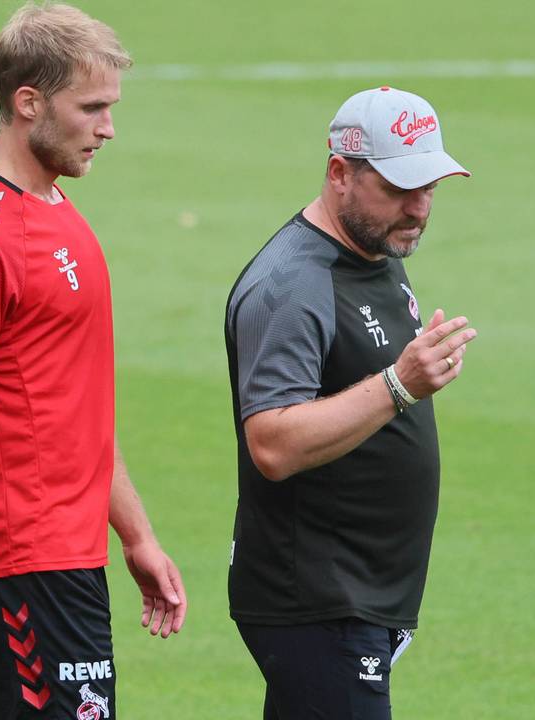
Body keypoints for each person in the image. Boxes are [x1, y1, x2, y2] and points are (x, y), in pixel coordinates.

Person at [0, 4, 186, 718]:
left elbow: (68, 410)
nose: (108, 127)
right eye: (92, 108)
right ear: (29, 103)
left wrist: (135, 534)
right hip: (20, 565)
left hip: (70, 559)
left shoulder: (59, 211)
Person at [224, 86, 475, 719]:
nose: (418, 209)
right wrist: (400, 385)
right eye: (398, 188)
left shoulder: (376, 250)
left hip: (358, 594)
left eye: (430, 187)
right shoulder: (293, 284)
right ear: (340, 173)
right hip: (317, 601)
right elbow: (273, 444)